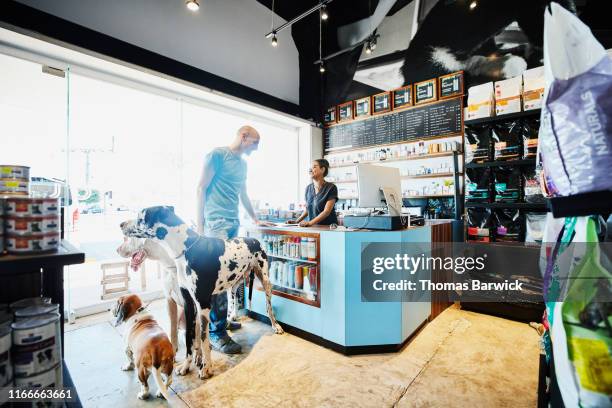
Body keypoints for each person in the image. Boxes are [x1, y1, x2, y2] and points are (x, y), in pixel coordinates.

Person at [196, 125, 262, 354]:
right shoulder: (217, 155)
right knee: (217, 279)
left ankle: (220, 322)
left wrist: (255, 218)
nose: (255, 148)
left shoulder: (243, 164)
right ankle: (216, 333)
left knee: (231, 276)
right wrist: (201, 227)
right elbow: (201, 188)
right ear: (243, 137)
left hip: (233, 223)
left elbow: (243, 194)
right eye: (254, 142)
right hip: (215, 225)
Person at [288, 159, 338, 227]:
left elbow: (326, 211)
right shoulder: (308, 188)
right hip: (313, 228)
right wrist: (297, 221)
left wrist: (309, 223)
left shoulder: (331, 188)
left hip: (328, 228)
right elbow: (308, 209)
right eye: (310, 168)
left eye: (314, 167)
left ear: (322, 169)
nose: (310, 170)